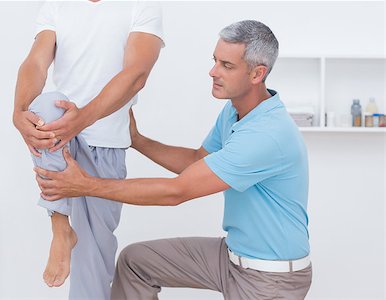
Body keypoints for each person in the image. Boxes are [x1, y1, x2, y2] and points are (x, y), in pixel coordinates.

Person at [34, 20, 312, 300]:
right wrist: (138, 140)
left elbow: (177, 191)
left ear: (257, 74)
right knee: (136, 263)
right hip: (231, 258)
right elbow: (197, 159)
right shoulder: (235, 111)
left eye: (227, 66)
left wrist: (84, 185)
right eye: (215, 61)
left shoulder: (266, 134)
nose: (213, 71)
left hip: (271, 279)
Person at [12, 1, 164, 299]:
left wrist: (80, 120)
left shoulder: (141, 6)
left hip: (105, 143)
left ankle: (70, 240)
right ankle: (61, 226)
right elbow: (35, 63)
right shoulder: (56, 6)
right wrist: (18, 113)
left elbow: (136, 74)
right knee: (44, 105)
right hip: (59, 138)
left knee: (92, 269)